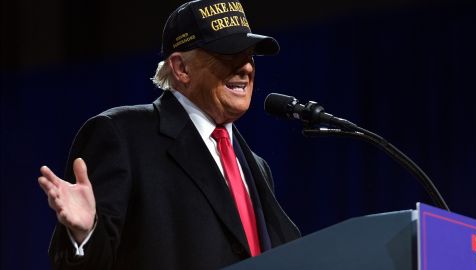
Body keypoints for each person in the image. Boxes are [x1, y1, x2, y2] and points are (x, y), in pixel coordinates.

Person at [37, 0, 300, 269]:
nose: (246, 67)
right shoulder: (122, 136)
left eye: (250, 55)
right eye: (228, 54)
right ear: (181, 68)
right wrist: (84, 234)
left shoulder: (256, 166)